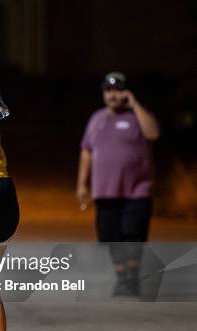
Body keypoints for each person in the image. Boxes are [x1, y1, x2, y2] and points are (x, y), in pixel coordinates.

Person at [76, 72, 160, 297]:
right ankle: (123, 278)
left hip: (137, 189)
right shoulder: (97, 119)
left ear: (126, 92)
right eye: (108, 90)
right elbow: (86, 152)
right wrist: (82, 185)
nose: (113, 95)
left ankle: (133, 277)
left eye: (118, 90)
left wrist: (134, 104)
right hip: (105, 189)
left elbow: (153, 133)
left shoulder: (138, 118)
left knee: (133, 233)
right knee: (110, 235)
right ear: (104, 93)